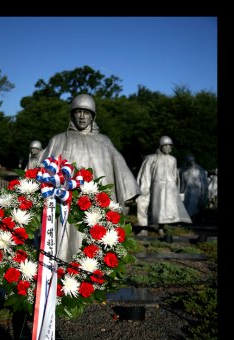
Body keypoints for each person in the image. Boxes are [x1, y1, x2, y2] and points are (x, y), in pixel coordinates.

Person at [41, 93, 141, 262]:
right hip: (65, 206)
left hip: (96, 207)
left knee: (94, 251)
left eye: (86, 112)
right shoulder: (58, 140)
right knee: (64, 249)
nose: (81, 116)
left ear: (93, 116)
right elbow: (43, 172)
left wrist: (128, 193)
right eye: (78, 111)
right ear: (72, 114)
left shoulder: (104, 142)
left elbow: (119, 169)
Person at [135, 136, 192, 236]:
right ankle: (144, 228)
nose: (168, 148)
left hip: (168, 188)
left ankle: (161, 228)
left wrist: (175, 189)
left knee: (164, 209)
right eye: (165, 146)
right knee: (146, 205)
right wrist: (144, 187)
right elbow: (145, 173)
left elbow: (175, 175)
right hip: (154, 186)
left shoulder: (172, 160)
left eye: (170, 146)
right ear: (160, 146)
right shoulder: (151, 158)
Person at [179, 155, 209, 223]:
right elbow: (182, 181)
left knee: (194, 204)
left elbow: (203, 181)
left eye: (192, 161)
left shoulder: (199, 169)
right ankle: (188, 218)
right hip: (186, 190)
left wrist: (203, 190)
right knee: (187, 204)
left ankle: (194, 218)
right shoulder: (183, 169)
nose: (190, 163)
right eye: (188, 161)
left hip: (196, 190)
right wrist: (181, 191)